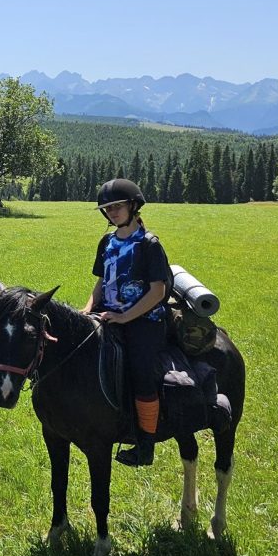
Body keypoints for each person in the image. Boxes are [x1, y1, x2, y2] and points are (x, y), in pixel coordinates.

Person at [81, 178, 171, 467]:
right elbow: (101, 282)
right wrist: (88, 308)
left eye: (118, 206)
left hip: (145, 320)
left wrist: (124, 317)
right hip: (108, 313)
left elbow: (158, 292)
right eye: (108, 208)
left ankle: (145, 445)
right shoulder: (107, 242)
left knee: (141, 374)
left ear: (133, 206)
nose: (113, 212)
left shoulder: (149, 244)